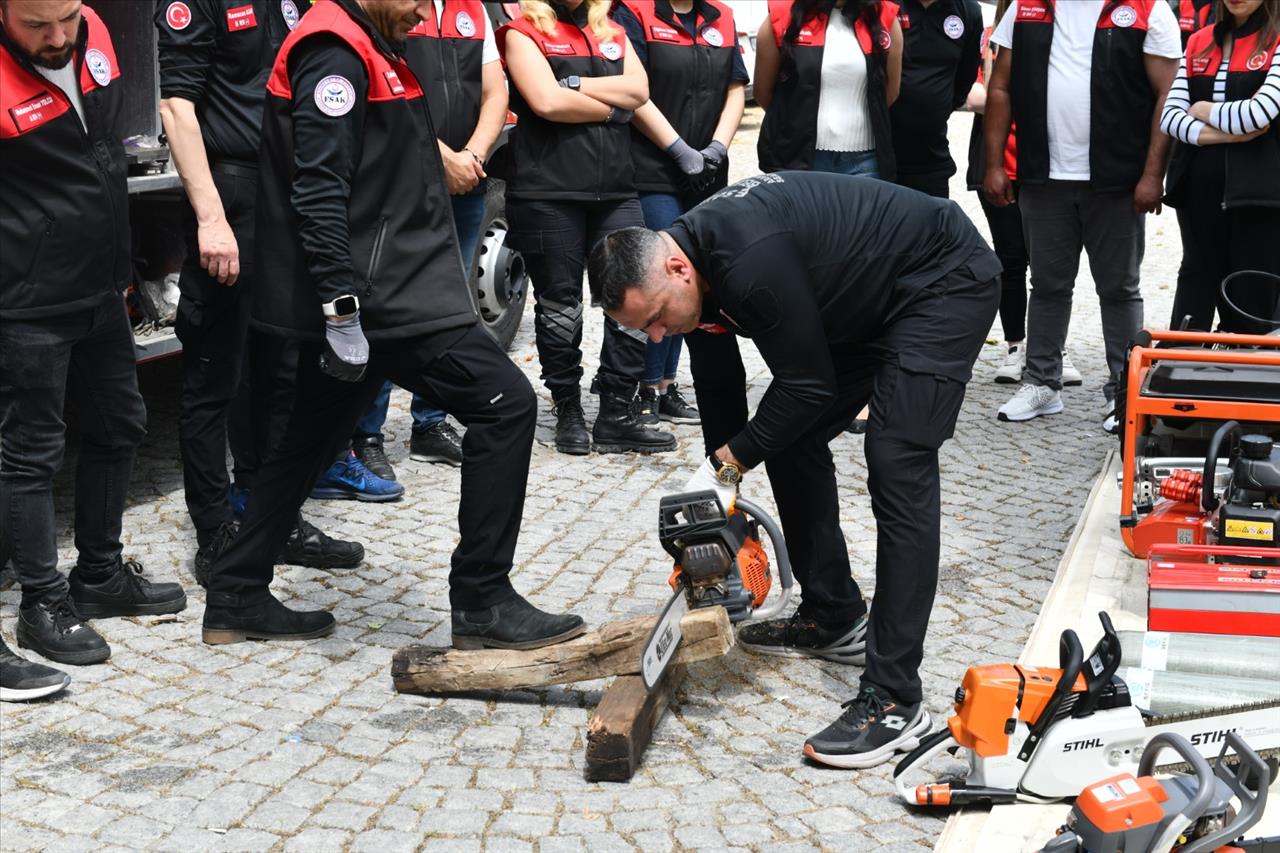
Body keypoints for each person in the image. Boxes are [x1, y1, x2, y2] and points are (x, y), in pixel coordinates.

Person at [203, 0, 584, 652]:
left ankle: (235, 593)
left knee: (309, 440)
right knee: (507, 404)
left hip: (385, 285)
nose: (424, 12)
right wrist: (342, 314)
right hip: (382, 298)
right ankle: (483, 600)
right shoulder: (334, 51)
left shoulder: (370, 40)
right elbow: (318, 191)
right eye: (415, 0)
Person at [588, 171, 1001, 768]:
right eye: (643, 330)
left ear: (676, 270)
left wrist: (729, 464)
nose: (657, 336)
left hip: (944, 279)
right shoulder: (691, 275)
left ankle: (895, 700)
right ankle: (833, 615)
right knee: (785, 439)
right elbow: (723, 389)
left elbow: (806, 387)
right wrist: (719, 497)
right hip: (870, 300)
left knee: (896, 460)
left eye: (655, 317)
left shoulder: (745, 262)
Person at [1, 0, 187, 675]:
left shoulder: (96, 31)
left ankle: (100, 575)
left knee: (120, 424)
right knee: (31, 453)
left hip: (103, 284)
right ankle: (41, 603)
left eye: (67, 21)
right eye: (35, 26)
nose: (57, 39)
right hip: (24, 298)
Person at [155, 0, 364, 581]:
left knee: (279, 376)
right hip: (232, 190)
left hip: (287, 197)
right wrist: (210, 217)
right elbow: (177, 107)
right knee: (214, 377)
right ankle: (215, 528)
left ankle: (276, 517)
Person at [984, 0, 1182, 427]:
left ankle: (1124, 392)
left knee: (1119, 289)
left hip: (1117, 180)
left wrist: (1153, 174)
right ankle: (1041, 383)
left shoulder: (1146, 8)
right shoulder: (1026, 6)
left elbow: (1169, 95)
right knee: (1049, 286)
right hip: (1043, 176)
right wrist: (994, 163)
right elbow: (1000, 86)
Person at [498, 0, 676, 455]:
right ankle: (568, 406)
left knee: (637, 286)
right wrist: (610, 109)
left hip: (616, 191)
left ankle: (616, 410)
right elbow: (546, 101)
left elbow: (639, 90)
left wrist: (578, 85)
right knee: (561, 305)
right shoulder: (522, 31)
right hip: (547, 193)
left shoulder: (612, 30)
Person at [347, 0, 509, 477]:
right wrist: (444, 159)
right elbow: (386, 88)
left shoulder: (472, 9)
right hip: (400, 180)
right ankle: (366, 434)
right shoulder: (393, 7)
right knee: (388, 304)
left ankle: (431, 423)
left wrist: (472, 156)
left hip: (465, 181)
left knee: (451, 305)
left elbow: (495, 92)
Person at [611, 0, 749, 426]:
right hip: (654, 168)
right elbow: (636, 93)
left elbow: (735, 89)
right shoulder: (634, 12)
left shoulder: (721, 16)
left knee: (692, 281)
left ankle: (669, 385)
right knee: (657, 275)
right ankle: (646, 387)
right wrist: (677, 148)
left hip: (706, 172)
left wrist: (717, 149)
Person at [1161, 0, 1280, 334]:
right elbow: (1169, 119)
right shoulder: (1199, 40)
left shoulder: (1278, 39)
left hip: (1261, 197)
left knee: (1252, 300)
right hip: (1197, 192)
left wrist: (1200, 109)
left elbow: (1258, 114)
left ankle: (1249, 377)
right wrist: (1232, 137)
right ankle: (1179, 375)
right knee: (1194, 292)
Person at [754, 0, 904, 179]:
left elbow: (890, 91)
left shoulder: (884, 15)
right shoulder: (782, 15)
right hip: (798, 160)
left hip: (866, 163)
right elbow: (764, 92)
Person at [965, 0, 1030, 384]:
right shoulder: (987, 39)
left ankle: (1050, 344)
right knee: (1009, 259)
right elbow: (971, 94)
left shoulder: (1055, 36)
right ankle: (1015, 344)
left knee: (1051, 265)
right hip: (995, 164)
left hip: (1042, 166)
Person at [890, 0, 983, 197]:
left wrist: (936, 110)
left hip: (931, 158)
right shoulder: (884, 5)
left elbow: (964, 79)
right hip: (878, 152)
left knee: (930, 225)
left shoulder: (968, 11)